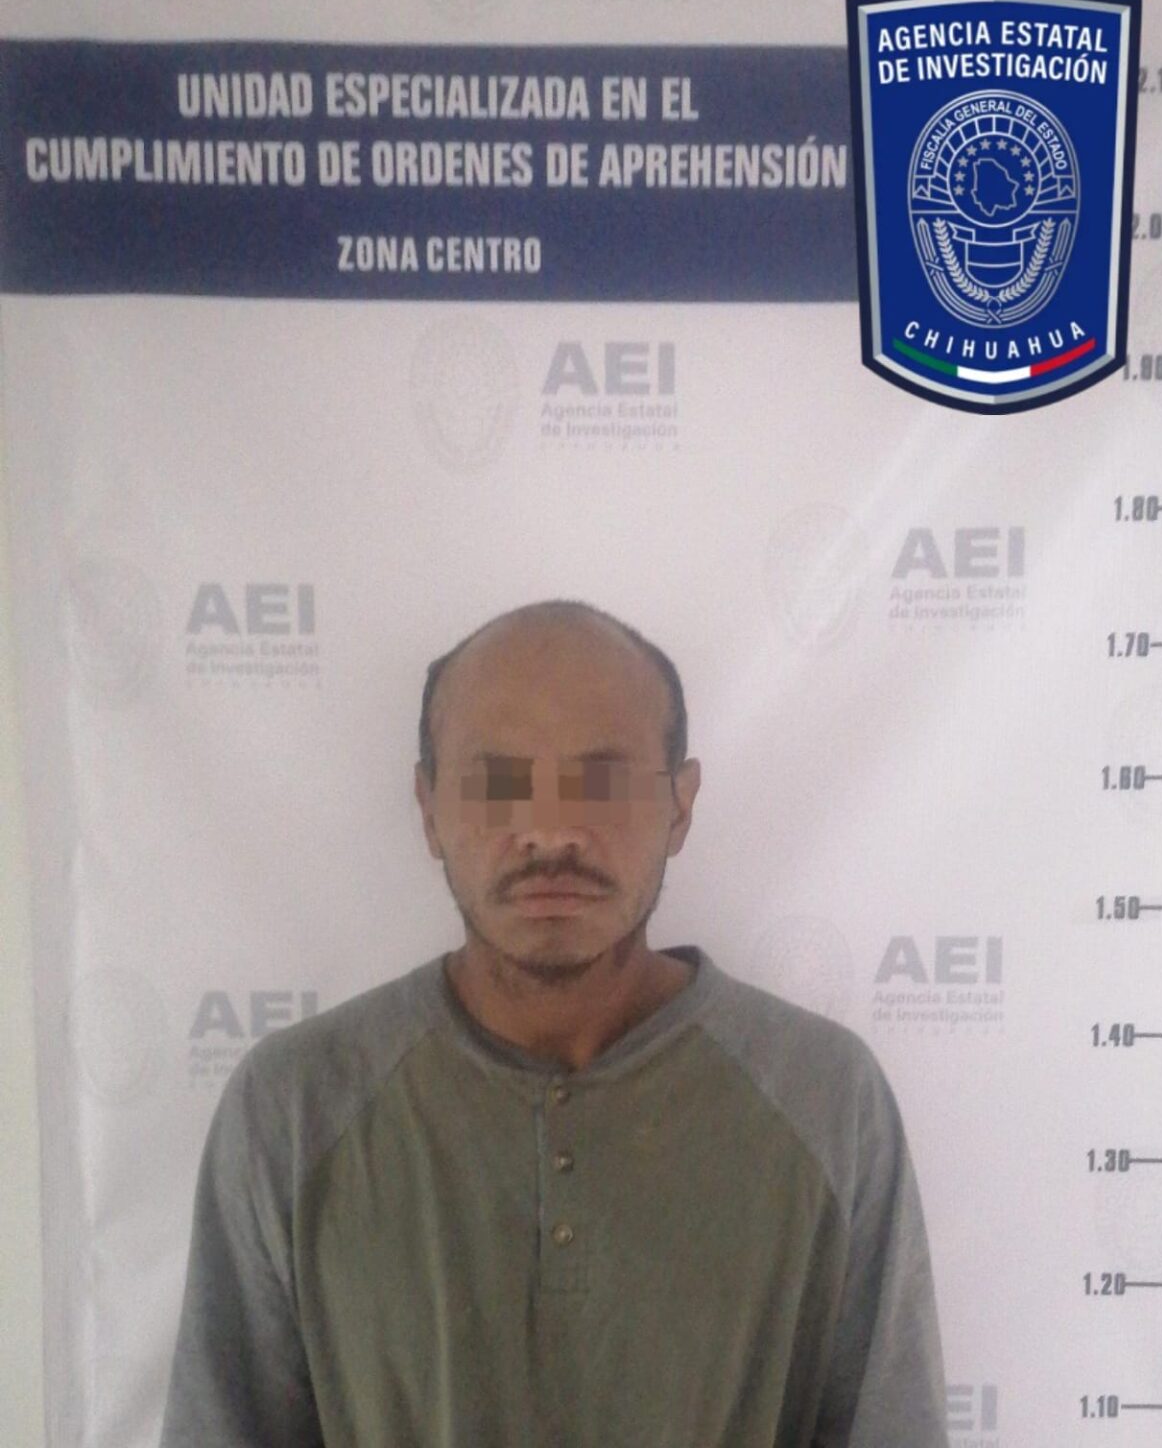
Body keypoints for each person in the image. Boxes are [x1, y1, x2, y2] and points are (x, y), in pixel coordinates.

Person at [160, 598, 949, 1448]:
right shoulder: (296, 1106)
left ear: (680, 805)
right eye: (496, 780)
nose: (548, 829)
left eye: (602, 779)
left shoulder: (823, 1097)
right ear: (428, 807)